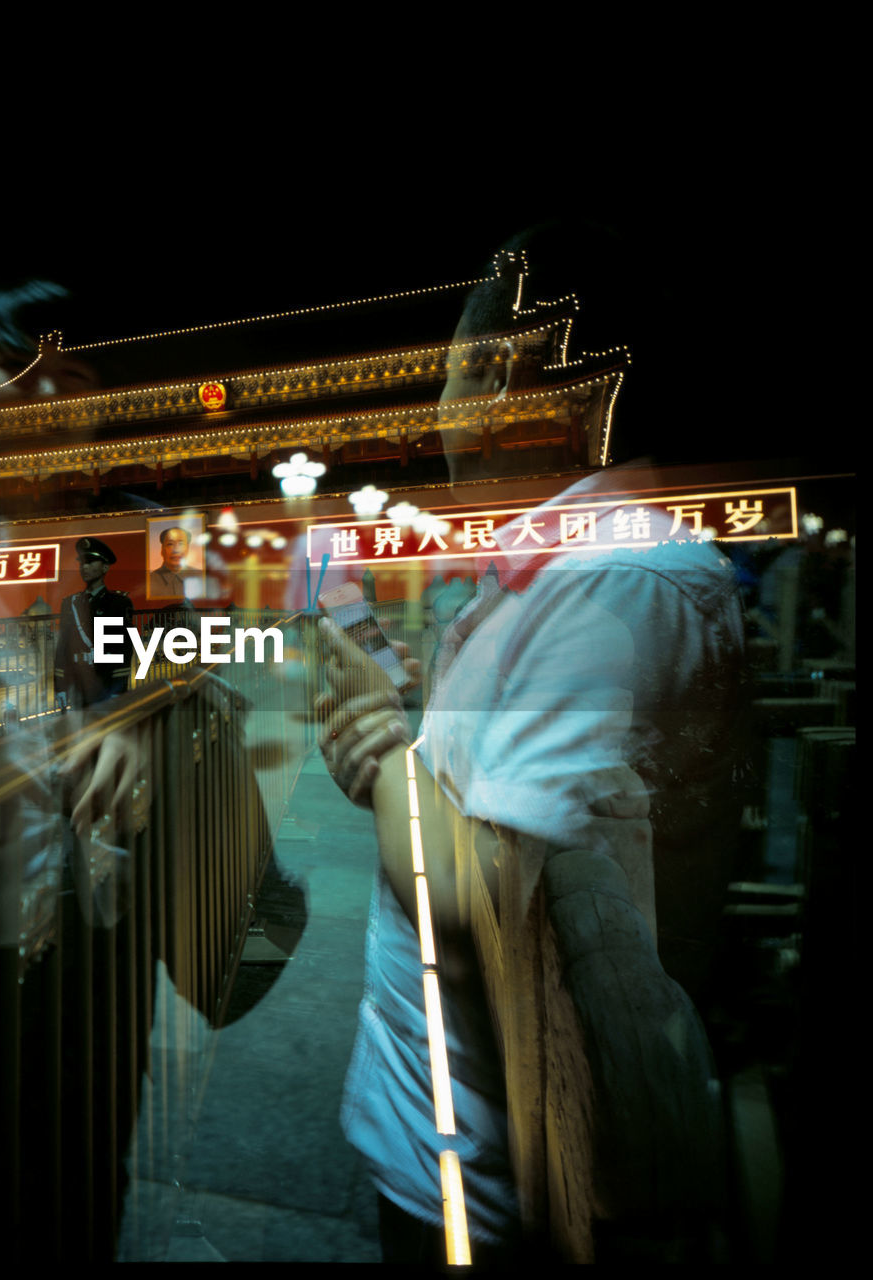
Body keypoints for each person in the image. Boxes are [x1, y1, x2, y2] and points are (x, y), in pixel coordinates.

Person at [317, 226, 745, 1265]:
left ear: (508, 376)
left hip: (501, 1196)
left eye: (454, 375)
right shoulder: (559, 571)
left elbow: (491, 899)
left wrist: (379, 748)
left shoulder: (615, 582)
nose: (441, 416)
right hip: (461, 1153)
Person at [54, 536, 134, 710]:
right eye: (82, 562)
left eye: (90, 562)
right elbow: (63, 647)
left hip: (104, 682)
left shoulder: (117, 603)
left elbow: (122, 649)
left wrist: (117, 689)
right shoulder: (70, 603)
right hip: (77, 683)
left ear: (105, 567)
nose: (84, 567)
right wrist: (60, 686)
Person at [147, 525, 202, 598]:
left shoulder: (202, 577)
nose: (176, 550)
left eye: (181, 544)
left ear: (188, 548)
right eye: (170, 544)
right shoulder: (149, 580)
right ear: (162, 550)